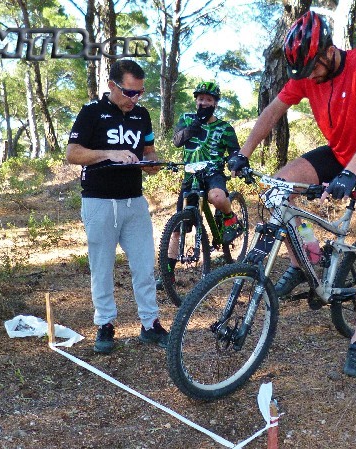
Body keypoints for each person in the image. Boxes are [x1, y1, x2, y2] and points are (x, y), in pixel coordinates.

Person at [227, 11, 356, 377]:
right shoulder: (307, 74)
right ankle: (307, 259)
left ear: (326, 53)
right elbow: (273, 111)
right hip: (339, 153)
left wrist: (353, 172)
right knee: (277, 190)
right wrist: (244, 152)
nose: (307, 79)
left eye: (311, 70)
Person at [65, 59, 169, 354]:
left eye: (140, 93)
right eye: (129, 92)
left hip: (134, 201)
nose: (135, 99)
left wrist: (152, 163)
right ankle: (106, 324)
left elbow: (148, 150)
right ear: (112, 86)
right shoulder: (91, 113)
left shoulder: (142, 116)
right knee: (102, 267)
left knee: (145, 266)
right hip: (99, 200)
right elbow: (72, 153)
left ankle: (150, 324)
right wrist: (111, 154)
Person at [159, 81, 242, 288]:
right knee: (177, 227)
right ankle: (167, 275)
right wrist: (196, 125)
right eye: (201, 99)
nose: (204, 103)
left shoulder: (224, 127)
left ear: (215, 103)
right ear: (196, 100)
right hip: (190, 176)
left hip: (213, 173)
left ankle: (230, 217)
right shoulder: (186, 118)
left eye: (209, 100)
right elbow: (178, 141)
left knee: (217, 198)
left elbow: (234, 151)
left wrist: (234, 162)